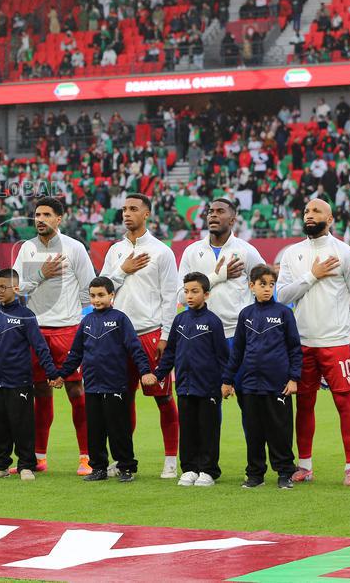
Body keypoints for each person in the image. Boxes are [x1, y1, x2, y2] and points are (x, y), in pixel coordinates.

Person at [276, 199, 350, 486]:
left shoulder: (345, 253)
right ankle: (305, 466)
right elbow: (283, 295)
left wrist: (341, 329)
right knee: (304, 404)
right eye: (306, 211)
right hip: (302, 343)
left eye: (316, 211)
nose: (309, 215)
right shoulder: (292, 254)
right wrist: (311, 276)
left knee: (344, 403)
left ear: (330, 220)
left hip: (335, 344)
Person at [99, 193, 181, 478]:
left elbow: (170, 296)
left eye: (133, 209)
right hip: (117, 336)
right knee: (122, 401)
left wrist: (166, 335)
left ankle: (170, 460)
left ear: (146, 214)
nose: (127, 213)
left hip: (151, 333)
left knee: (163, 399)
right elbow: (102, 289)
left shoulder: (161, 252)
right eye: (124, 209)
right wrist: (122, 270)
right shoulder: (115, 251)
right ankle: (124, 460)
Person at [11, 196, 95, 475]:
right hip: (36, 331)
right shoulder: (26, 248)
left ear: (59, 219)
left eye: (47, 214)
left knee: (76, 391)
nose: (40, 219)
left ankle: (86, 457)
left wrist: (83, 325)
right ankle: (39, 457)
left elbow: (88, 289)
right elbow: (17, 287)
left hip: (68, 329)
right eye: (37, 214)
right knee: (40, 392)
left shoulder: (74, 248)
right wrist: (40, 274)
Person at [55, 276, 157, 483]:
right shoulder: (86, 322)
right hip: (92, 385)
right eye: (93, 296)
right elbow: (75, 354)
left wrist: (145, 371)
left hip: (115, 384)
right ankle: (98, 468)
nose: (96, 300)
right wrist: (61, 375)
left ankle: (126, 467)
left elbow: (135, 348)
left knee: (119, 429)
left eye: (101, 295)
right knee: (95, 430)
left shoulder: (120, 319)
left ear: (112, 295)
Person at [177, 199, 265, 417]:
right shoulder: (192, 251)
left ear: (232, 220)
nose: (213, 215)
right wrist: (217, 277)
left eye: (219, 211)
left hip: (240, 337)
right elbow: (181, 295)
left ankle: (255, 442)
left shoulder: (247, 251)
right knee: (207, 404)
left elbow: (266, 286)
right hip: (202, 338)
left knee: (250, 404)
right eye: (210, 211)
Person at [0, 269, 59, 481]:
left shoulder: (26, 316)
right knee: (1, 425)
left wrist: (51, 373)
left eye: (3, 287)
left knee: (22, 425)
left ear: (16, 288)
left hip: (20, 381)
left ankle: (26, 465)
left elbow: (40, 347)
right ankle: (0, 465)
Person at [223, 265, 302, 490]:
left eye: (271, 285)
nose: (267, 289)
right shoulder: (246, 314)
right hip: (249, 385)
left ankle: (285, 472)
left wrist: (293, 378)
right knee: (253, 432)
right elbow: (237, 351)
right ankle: (255, 474)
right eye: (262, 284)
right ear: (252, 286)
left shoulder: (284, 313)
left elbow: (295, 348)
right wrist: (227, 380)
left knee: (280, 431)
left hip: (278, 385)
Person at [153, 272, 229, 486]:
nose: (189, 296)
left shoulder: (213, 321)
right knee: (187, 429)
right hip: (185, 386)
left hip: (208, 388)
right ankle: (189, 469)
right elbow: (170, 353)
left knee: (208, 429)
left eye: (194, 291)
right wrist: (158, 375)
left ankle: (208, 471)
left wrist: (227, 381)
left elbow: (223, 356)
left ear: (206, 294)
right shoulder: (180, 320)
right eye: (186, 291)